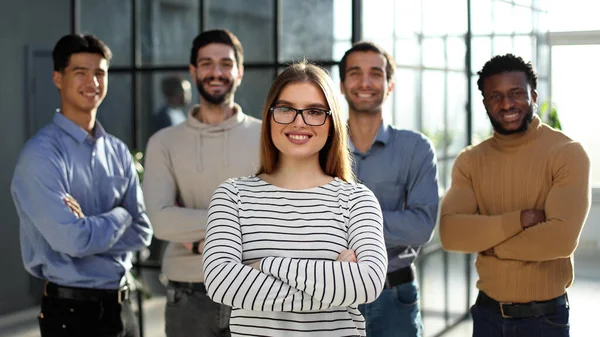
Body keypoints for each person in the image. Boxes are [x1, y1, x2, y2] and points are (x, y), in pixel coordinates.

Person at [202, 61, 388, 337]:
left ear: (331, 122)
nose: (298, 121)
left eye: (314, 111)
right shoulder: (232, 196)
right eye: (286, 109)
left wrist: (265, 265)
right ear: (270, 116)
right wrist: (333, 282)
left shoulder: (357, 200)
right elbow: (221, 284)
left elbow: (369, 284)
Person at [10, 34, 153, 337]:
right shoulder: (40, 155)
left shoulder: (117, 151)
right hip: (71, 314)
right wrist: (120, 216)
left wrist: (90, 226)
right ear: (57, 78)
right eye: (80, 72)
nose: (93, 82)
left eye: (100, 73)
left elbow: (143, 232)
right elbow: (73, 242)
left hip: (124, 309)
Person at [439, 53, 591, 337]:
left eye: (516, 93)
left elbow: (560, 240)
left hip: (543, 320)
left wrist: (491, 245)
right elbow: (450, 233)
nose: (507, 104)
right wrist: (520, 220)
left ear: (533, 95)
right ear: (484, 102)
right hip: (486, 316)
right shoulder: (470, 160)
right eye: (495, 96)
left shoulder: (567, 153)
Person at [143, 29, 261, 337]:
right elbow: (161, 221)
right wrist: (241, 220)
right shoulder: (164, 142)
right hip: (188, 298)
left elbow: (281, 215)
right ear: (194, 71)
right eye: (206, 63)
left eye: (225, 63)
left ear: (240, 71)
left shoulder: (268, 138)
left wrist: (197, 239)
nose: (216, 72)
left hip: (256, 293)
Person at [338, 41, 439, 337]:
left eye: (376, 73)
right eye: (355, 73)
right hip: (331, 297)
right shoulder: (321, 147)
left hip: (394, 296)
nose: (365, 82)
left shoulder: (416, 148)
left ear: (390, 85)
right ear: (342, 86)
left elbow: (420, 228)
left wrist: (350, 224)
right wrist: (389, 224)